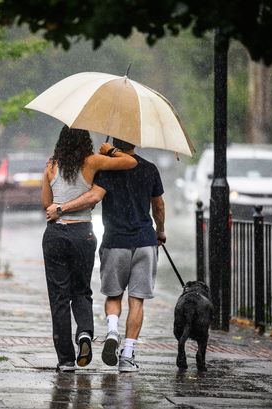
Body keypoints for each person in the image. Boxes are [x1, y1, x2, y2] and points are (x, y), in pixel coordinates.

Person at [46, 137, 166, 373]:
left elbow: (94, 197)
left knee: (114, 295)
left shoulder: (106, 168)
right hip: (144, 240)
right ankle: (128, 355)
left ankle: (112, 331)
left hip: (115, 241)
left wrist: (62, 207)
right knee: (137, 300)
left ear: (114, 142)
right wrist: (160, 231)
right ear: (137, 143)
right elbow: (159, 206)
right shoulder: (150, 169)